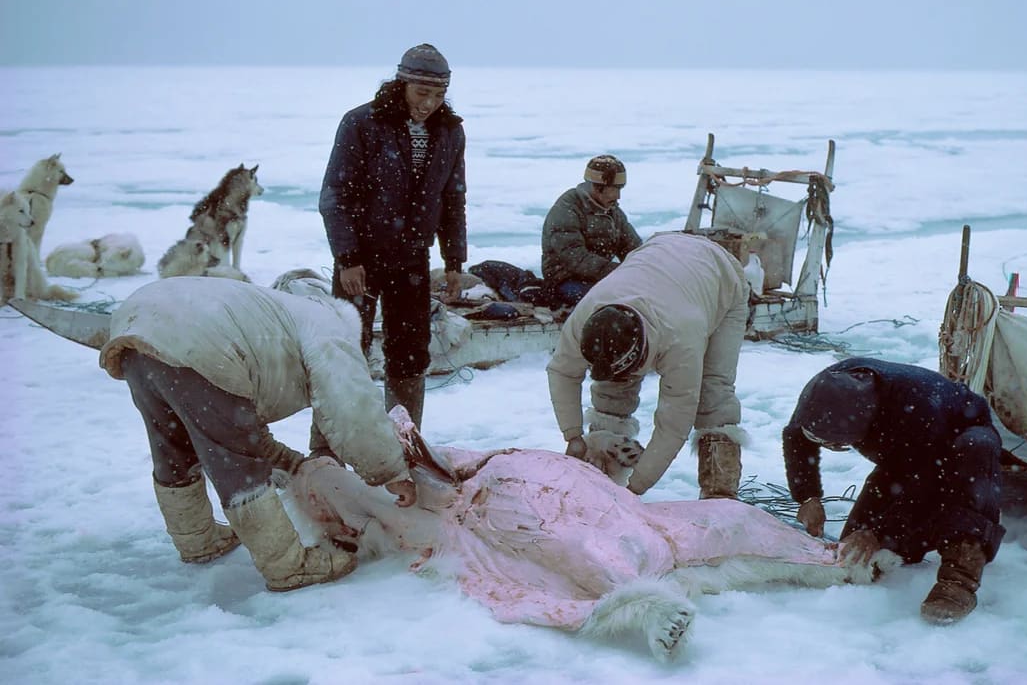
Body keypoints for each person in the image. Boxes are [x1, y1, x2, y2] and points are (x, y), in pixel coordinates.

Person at [291, 410, 892, 663]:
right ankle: (644, 608)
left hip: (580, 498)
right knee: (583, 556)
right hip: (502, 523)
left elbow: (435, 449)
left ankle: (833, 561)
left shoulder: (452, 457)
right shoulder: (405, 511)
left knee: (723, 518)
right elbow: (349, 494)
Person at [98, 276, 419, 592]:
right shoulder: (333, 332)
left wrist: (296, 466)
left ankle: (197, 541)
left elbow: (240, 429)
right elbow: (353, 408)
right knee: (238, 466)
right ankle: (288, 566)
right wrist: (390, 470)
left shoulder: (279, 316)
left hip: (138, 328)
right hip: (197, 337)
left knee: (173, 445)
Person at [781, 357, 1006, 624]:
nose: (828, 446)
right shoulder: (822, 390)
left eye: (836, 443)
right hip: (903, 453)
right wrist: (808, 497)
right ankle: (911, 541)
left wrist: (879, 532)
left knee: (973, 456)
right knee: (853, 551)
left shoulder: (916, 405)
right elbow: (796, 437)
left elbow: (927, 479)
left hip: (957, 437)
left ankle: (959, 579)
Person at [319, 42, 467, 430]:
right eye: (422, 93)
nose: (429, 103)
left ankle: (403, 438)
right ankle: (330, 444)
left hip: (412, 259)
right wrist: (348, 258)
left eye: (438, 95)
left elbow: (453, 200)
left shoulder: (450, 132)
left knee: (410, 354)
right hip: (362, 258)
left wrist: (454, 262)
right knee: (347, 351)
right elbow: (335, 196)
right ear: (401, 85)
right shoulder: (362, 123)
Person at [547, 231, 750, 499]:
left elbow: (674, 424)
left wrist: (636, 489)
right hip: (658, 254)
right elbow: (562, 371)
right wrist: (573, 435)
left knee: (713, 394)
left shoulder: (681, 339)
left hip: (721, 276)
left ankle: (719, 494)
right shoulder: (587, 318)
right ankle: (600, 480)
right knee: (611, 389)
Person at [540, 154, 642, 309]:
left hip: (600, 277)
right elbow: (576, 258)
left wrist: (644, 266)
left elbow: (632, 247)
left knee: (640, 295)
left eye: (620, 189)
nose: (618, 196)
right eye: (614, 189)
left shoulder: (612, 211)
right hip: (565, 281)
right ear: (596, 187)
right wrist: (618, 272)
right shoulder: (566, 210)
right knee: (610, 300)